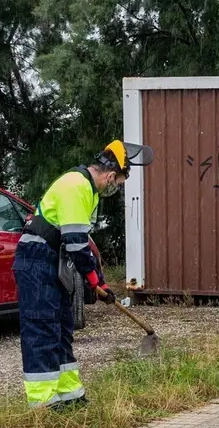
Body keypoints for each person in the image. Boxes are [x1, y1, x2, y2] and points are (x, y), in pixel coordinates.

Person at [13, 140, 153, 408]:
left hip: (54, 260)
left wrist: (99, 282)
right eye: (120, 182)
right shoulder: (76, 186)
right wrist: (91, 281)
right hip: (37, 260)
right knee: (42, 327)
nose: (117, 187)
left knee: (62, 326)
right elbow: (76, 243)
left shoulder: (90, 191)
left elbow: (82, 245)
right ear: (111, 175)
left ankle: (69, 394)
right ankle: (42, 402)